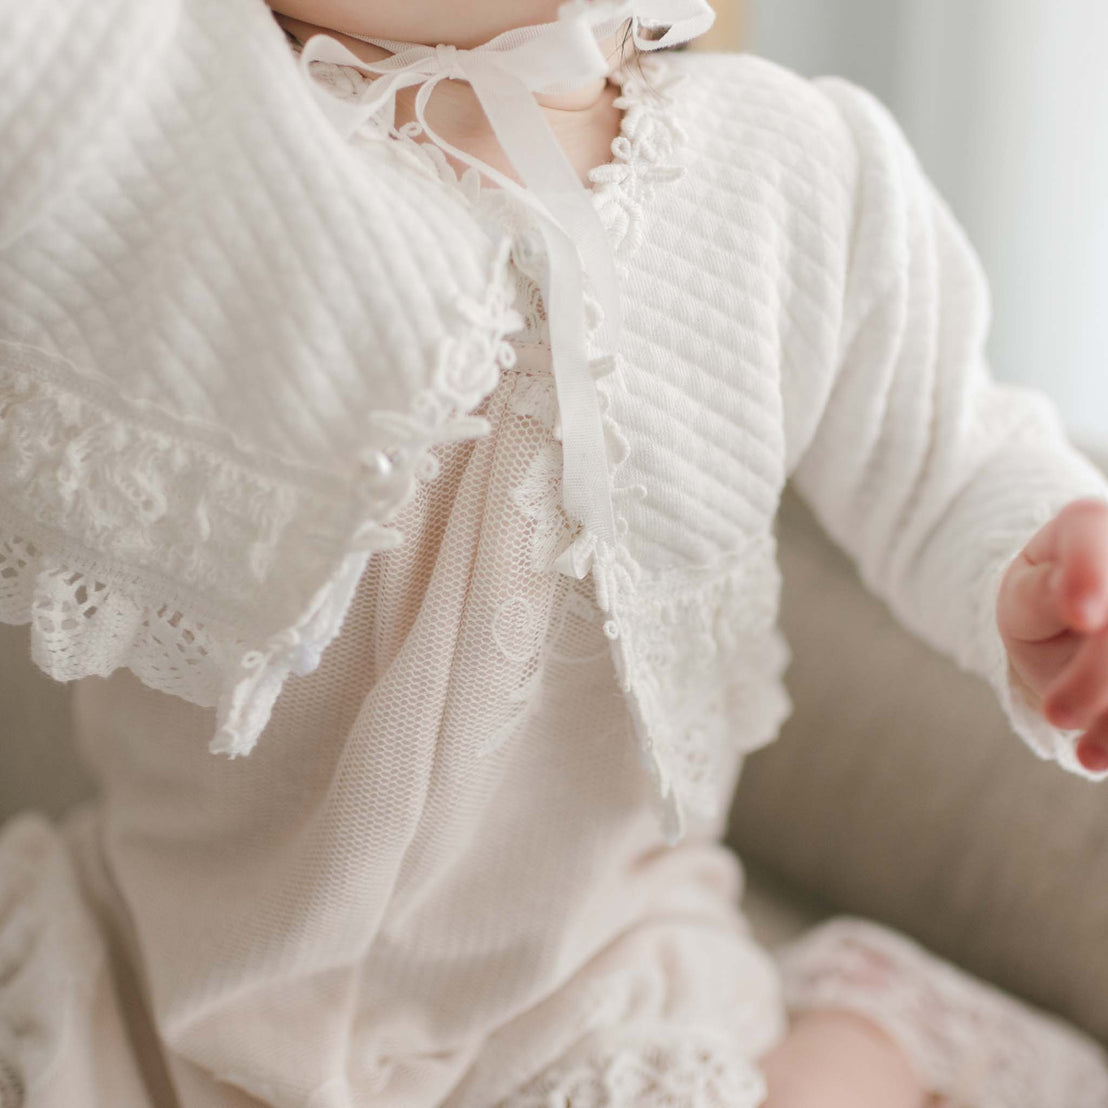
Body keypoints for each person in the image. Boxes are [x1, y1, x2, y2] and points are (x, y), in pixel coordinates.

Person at [2, 0, 1108, 1105]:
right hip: (165, 979)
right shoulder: (166, 98)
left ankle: (868, 1035)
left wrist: (1040, 569)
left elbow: (951, 459)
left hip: (591, 988)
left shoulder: (788, 168)